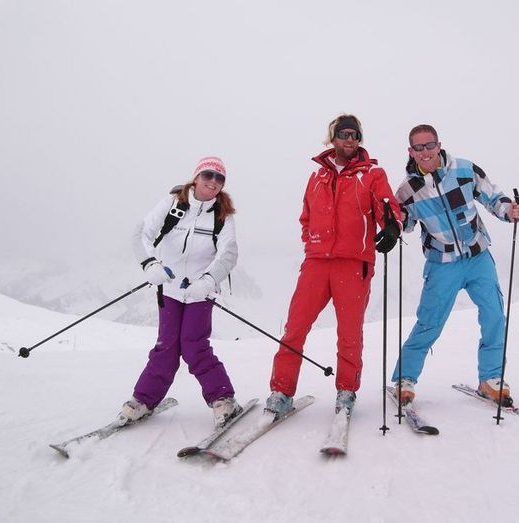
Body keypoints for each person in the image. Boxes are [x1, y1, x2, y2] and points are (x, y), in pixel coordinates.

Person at [265, 114, 402, 418]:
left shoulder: (372, 174)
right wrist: (311, 242)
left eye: (355, 135)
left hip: (354, 264)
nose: (349, 140)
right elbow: (306, 216)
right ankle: (282, 391)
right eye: (343, 134)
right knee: (295, 327)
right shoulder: (317, 177)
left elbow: (387, 207)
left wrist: (392, 227)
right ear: (333, 138)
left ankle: (346, 391)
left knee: (349, 333)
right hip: (316, 263)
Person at [391, 124, 519, 406]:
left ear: (439, 145)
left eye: (430, 145)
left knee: (494, 315)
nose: (425, 152)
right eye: (419, 147)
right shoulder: (407, 191)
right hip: (443, 263)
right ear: (411, 152)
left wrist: (509, 211)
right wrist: (393, 221)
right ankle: (405, 379)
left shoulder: (464, 170)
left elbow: (492, 197)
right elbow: (406, 224)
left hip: (478, 256)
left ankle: (490, 378)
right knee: (430, 323)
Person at [120, 156, 242, 428]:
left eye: (219, 178)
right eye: (208, 175)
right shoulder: (172, 204)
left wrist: (208, 281)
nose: (213, 182)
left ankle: (223, 399)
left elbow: (229, 252)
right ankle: (143, 399)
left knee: (193, 345)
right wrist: (150, 264)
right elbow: (141, 234)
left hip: (200, 291)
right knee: (166, 345)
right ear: (196, 177)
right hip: (170, 288)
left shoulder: (222, 215)